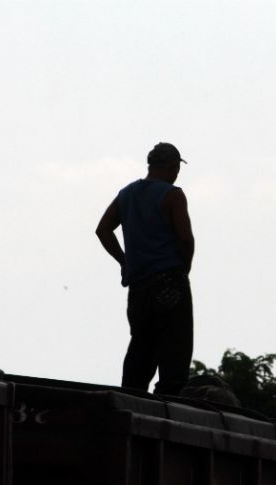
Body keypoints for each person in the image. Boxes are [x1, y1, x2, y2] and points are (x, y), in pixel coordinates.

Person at [96, 142, 195, 395]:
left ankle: (131, 400)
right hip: (170, 281)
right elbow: (186, 239)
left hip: (139, 288)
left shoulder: (127, 194)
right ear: (172, 167)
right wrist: (183, 271)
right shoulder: (173, 195)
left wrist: (124, 261)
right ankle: (169, 405)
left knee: (142, 348)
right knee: (175, 352)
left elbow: (103, 229)